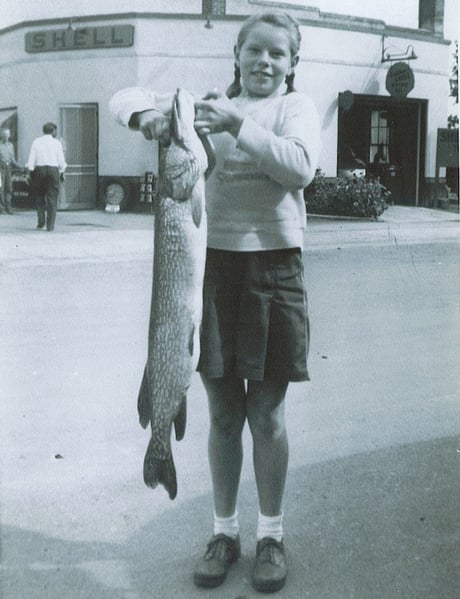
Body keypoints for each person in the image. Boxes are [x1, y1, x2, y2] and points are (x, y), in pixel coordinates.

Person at [109, 11, 320, 593]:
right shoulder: (200, 110)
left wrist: (238, 124)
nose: (264, 62)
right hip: (213, 271)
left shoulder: (293, 110)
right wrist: (147, 114)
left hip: (275, 268)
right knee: (225, 414)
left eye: (277, 54)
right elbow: (122, 97)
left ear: (292, 64)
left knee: (266, 414)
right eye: (254, 51)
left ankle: (270, 535)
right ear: (237, 53)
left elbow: (301, 167)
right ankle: (225, 531)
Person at [26, 122, 67, 231]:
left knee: (39, 197)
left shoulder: (36, 142)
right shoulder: (57, 143)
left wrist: (30, 171)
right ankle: (50, 226)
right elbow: (61, 160)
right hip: (53, 170)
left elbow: (31, 158)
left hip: (39, 170)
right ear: (53, 131)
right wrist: (62, 171)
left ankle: (41, 222)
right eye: (55, 131)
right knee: (52, 199)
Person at [0, 127, 22, 214]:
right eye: (5, 135)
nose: (7, 136)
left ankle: (9, 207)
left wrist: (20, 166)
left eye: (8, 135)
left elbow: (12, 159)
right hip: (0, 168)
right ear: (1, 135)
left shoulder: (11, 145)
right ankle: (2, 208)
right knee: (1, 188)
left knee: (9, 187)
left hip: (9, 168)